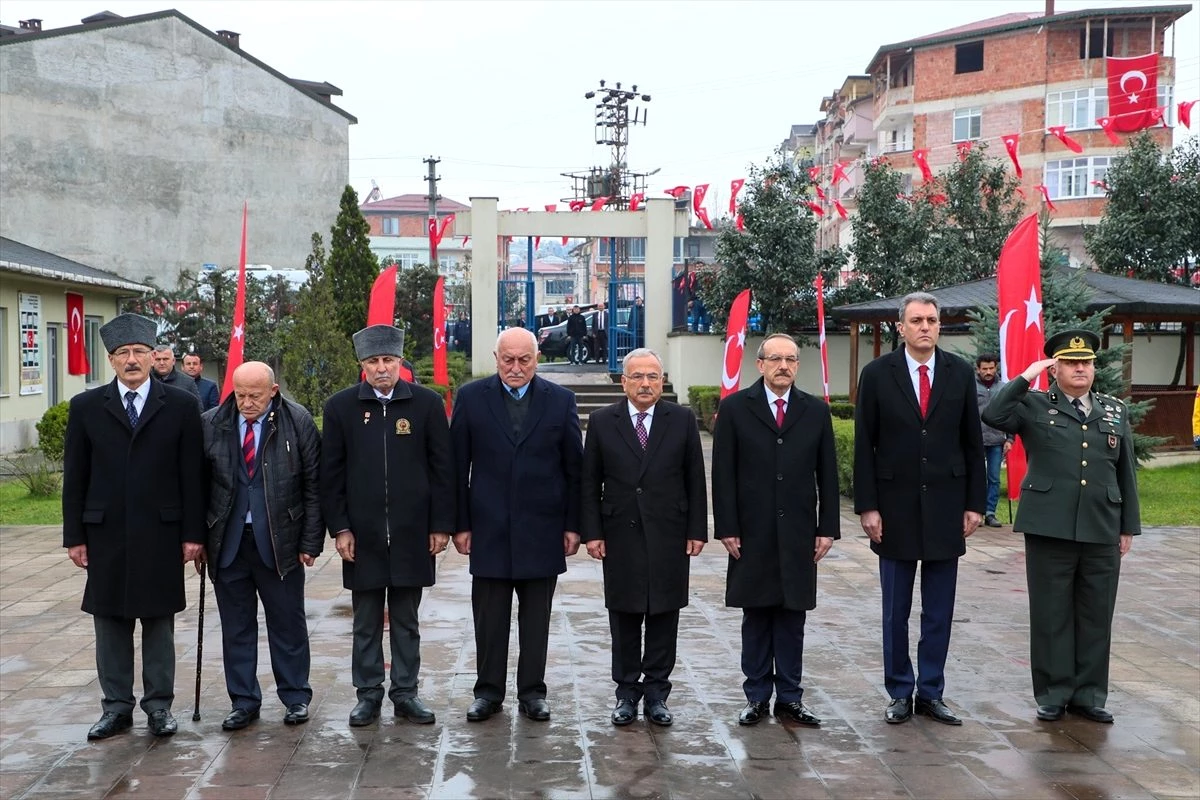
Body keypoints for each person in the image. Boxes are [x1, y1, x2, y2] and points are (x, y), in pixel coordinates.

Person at [981, 329, 1140, 724]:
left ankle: (1089, 694)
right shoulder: (1034, 405)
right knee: (1051, 614)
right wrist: (1024, 376)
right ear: (1055, 368)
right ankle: (1053, 692)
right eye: (1070, 362)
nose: (1080, 368)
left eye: (1086, 362)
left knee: (1096, 613)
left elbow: (1125, 474)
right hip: (1049, 526)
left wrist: (1127, 528)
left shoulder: (1114, 410)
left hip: (1102, 525)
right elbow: (993, 414)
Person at [62, 313, 205, 741]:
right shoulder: (87, 407)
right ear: (110, 360)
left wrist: (194, 533)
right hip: (104, 532)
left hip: (161, 531)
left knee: (158, 620)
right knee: (109, 621)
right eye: (123, 353)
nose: (132, 360)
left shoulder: (180, 405)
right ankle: (116, 708)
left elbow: (191, 475)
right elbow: (76, 476)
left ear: (154, 356)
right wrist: (75, 536)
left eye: (139, 352)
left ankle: (159, 706)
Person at [853, 292, 985, 726]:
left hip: (947, 507)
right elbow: (864, 446)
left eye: (931, 319)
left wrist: (974, 503)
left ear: (939, 325)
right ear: (901, 326)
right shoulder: (876, 374)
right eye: (916, 320)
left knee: (939, 610)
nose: (925, 326)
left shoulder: (960, 373)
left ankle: (931, 691)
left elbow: (972, 442)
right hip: (894, 510)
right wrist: (868, 506)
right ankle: (898, 691)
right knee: (896, 610)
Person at [320, 324, 455, 727]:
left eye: (389, 361)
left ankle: (406, 692)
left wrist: (440, 525)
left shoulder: (427, 405)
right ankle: (368, 694)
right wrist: (341, 527)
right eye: (373, 362)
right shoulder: (341, 407)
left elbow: (443, 470)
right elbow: (332, 474)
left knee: (406, 620)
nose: (382, 369)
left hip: (413, 532)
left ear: (400, 362)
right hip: (362, 536)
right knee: (364, 621)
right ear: (362, 365)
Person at [450, 328, 583, 723]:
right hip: (487, 527)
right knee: (489, 618)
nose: (515, 367)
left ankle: (532, 693)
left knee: (536, 618)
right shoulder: (472, 398)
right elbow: (457, 469)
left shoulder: (560, 401)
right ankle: (488, 693)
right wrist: (460, 524)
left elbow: (574, 470)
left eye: (524, 360)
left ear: (537, 359)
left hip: (543, 528)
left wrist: (573, 524)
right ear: (496, 358)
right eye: (508, 360)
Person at [712, 333, 840, 727]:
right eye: (776, 359)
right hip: (751, 531)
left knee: (792, 616)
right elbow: (723, 474)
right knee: (756, 615)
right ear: (760, 364)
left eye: (791, 360)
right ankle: (755, 696)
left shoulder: (814, 411)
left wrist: (828, 528)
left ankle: (789, 697)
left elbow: (828, 475)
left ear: (798, 366)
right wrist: (727, 527)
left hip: (800, 530)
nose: (783, 366)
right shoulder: (735, 408)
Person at [581, 348, 707, 727]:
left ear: (662, 380)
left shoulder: (681, 419)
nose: (646, 384)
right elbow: (590, 483)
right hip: (619, 533)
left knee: (664, 614)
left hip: (669, 533)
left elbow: (695, 479)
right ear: (624, 382)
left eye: (653, 376)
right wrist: (592, 532)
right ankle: (625, 693)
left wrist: (697, 530)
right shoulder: (603, 421)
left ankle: (656, 693)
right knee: (624, 615)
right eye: (637, 376)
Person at [201, 361, 323, 731]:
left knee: (287, 623)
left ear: (273, 391)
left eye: (255, 395)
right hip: (228, 541)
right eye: (240, 395)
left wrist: (311, 541)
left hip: (279, 539)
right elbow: (197, 487)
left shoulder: (297, 421)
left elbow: (314, 487)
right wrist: (198, 541)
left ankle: (295, 696)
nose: (247, 403)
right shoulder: (211, 423)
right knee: (236, 626)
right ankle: (243, 700)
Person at [974, 354, 1012, 527]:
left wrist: (1010, 439)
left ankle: (990, 513)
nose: (988, 372)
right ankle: (977, 512)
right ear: (978, 369)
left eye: (991, 368)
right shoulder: (971, 387)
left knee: (994, 478)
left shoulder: (1003, 388)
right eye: (984, 369)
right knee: (977, 477)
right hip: (976, 439)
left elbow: (1010, 414)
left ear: (996, 368)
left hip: (997, 440)